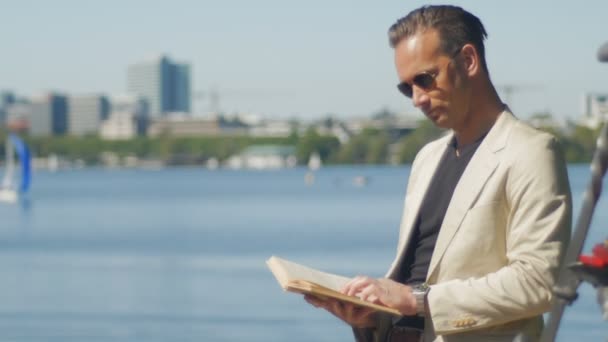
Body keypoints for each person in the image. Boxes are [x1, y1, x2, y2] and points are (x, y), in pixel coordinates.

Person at [305, 5, 572, 342]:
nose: (417, 99)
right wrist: (370, 317)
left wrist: (414, 299)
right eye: (406, 88)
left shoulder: (532, 152)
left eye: (425, 79)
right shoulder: (427, 159)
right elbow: (416, 275)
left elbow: (539, 282)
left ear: (469, 61)